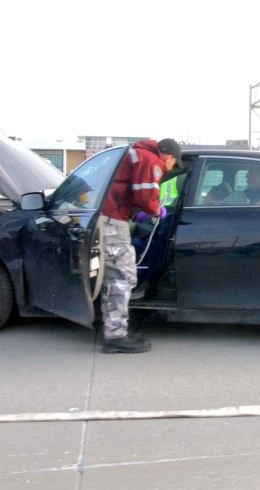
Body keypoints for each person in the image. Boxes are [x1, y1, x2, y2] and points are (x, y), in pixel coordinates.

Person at [99, 138, 181, 354]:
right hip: (114, 222)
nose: (171, 168)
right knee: (122, 277)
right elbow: (146, 196)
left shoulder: (138, 154)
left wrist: (142, 212)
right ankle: (116, 336)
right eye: (174, 164)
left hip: (111, 218)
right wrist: (155, 210)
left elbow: (130, 190)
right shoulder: (151, 160)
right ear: (169, 157)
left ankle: (114, 329)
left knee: (115, 277)